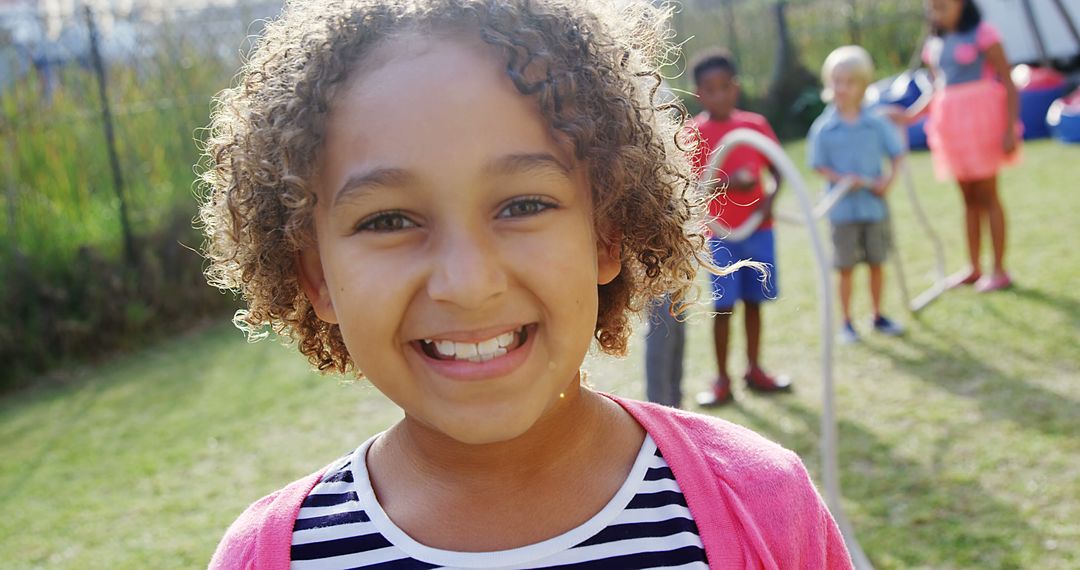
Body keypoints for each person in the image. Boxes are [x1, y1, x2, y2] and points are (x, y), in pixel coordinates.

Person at [199, 1, 853, 568]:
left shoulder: (762, 506)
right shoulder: (268, 558)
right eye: (388, 219)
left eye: (523, 205)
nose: (469, 283)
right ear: (318, 278)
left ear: (606, 234)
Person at [687, 49, 792, 407]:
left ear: (736, 87)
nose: (718, 95)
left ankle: (755, 369)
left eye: (724, 87)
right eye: (709, 89)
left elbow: (778, 170)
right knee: (724, 305)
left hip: (759, 231)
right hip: (720, 236)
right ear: (699, 93)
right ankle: (721, 379)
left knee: (755, 301)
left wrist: (767, 203)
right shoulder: (694, 133)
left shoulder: (756, 125)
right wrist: (732, 183)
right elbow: (693, 184)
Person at [808, 46, 906, 344]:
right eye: (836, 81)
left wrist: (887, 180)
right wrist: (843, 180)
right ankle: (847, 322)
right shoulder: (824, 128)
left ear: (863, 85)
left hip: (874, 208)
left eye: (849, 81)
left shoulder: (876, 123)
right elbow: (817, 165)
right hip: (842, 213)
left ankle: (878, 315)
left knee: (877, 262)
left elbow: (897, 154)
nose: (842, 88)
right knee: (846, 268)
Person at [922, 0, 1018, 292]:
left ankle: (999, 270)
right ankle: (973, 267)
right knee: (967, 199)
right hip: (952, 130)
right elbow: (937, 89)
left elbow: (1008, 81)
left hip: (982, 125)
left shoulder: (983, 33)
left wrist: (1010, 128)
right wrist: (908, 116)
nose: (936, 6)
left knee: (989, 195)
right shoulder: (934, 44)